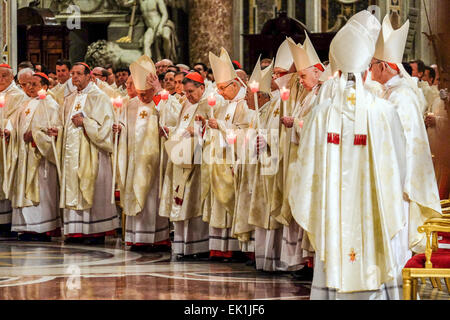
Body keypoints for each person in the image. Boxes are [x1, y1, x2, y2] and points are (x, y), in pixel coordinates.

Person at [288, 10, 415, 299]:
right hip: (373, 208)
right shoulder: (383, 111)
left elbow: (306, 166)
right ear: (367, 70)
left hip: (333, 208)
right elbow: (399, 163)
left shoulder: (321, 113)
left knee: (334, 258)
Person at [58, 62, 119, 244]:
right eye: (72, 74)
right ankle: (75, 231)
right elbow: (64, 126)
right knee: (74, 186)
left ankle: (94, 231)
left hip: (92, 152)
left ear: (89, 76)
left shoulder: (99, 97)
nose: (74, 77)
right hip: (72, 154)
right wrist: (57, 132)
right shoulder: (69, 98)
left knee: (92, 188)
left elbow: (106, 128)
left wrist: (85, 122)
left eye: (78, 74)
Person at [116, 55, 171, 251]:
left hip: (153, 161)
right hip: (134, 159)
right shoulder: (130, 104)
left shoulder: (160, 102)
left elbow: (170, 119)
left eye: (145, 92)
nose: (141, 96)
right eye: (139, 92)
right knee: (135, 195)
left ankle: (155, 239)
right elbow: (124, 125)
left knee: (151, 200)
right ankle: (136, 238)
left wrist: (157, 91)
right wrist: (119, 130)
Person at [206, 48, 251, 261]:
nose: (221, 93)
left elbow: (246, 134)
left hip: (235, 162)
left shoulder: (246, 105)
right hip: (219, 163)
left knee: (234, 204)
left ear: (235, 85)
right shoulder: (226, 105)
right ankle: (220, 248)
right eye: (218, 89)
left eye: (223, 88)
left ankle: (235, 248)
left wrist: (222, 126)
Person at [159, 72, 211, 260]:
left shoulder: (208, 104)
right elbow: (181, 127)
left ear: (202, 88)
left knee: (192, 201)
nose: (188, 95)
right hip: (180, 156)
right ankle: (182, 245)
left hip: (196, 159)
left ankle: (197, 245)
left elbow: (211, 128)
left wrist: (197, 130)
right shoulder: (185, 104)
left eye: (191, 91)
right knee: (180, 201)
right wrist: (170, 130)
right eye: (186, 91)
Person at [9, 73, 62, 241]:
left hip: (40, 157)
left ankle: (42, 228)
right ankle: (25, 228)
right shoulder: (24, 104)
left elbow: (55, 132)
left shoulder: (51, 105)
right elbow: (15, 125)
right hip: (24, 156)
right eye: (28, 84)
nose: (30, 87)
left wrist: (36, 136)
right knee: (23, 191)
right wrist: (8, 132)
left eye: (34, 84)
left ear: (45, 86)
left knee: (42, 192)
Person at [0, 64, 27, 235]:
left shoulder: (18, 96)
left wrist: (7, 129)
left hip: (8, 145)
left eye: (4, 76)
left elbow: (18, 120)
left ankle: (6, 222)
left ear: (12, 77)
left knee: (6, 179)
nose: (0, 79)